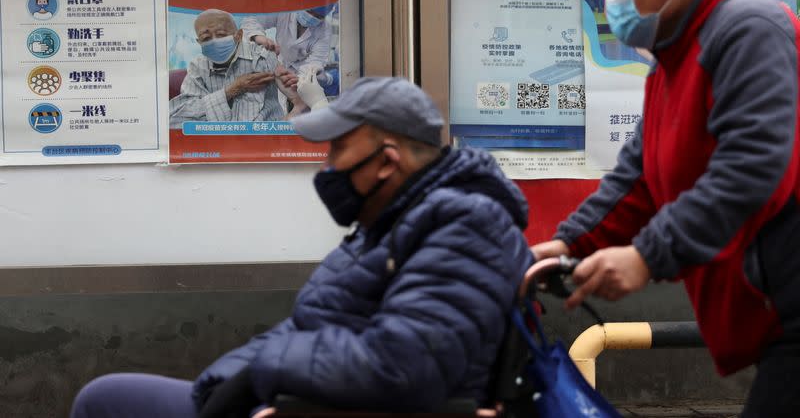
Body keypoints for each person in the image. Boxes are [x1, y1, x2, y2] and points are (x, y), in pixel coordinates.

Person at [71, 76, 534, 418]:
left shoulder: (466, 226)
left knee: (105, 404)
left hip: (320, 406)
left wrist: (264, 377)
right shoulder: (390, 222)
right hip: (300, 395)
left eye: (337, 151)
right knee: (107, 398)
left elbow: (401, 368)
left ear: (386, 162)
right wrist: (226, 385)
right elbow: (310, 326)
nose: (327, 166)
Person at [533, 0, 800, 417]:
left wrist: (647, 256)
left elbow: (754, 167)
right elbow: (637, 181)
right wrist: (567, 243)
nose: (608, 0)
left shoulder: (749, 29)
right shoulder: (672, 61)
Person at [169, 9, 301, 128]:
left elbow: (300, 102)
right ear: (199, 42)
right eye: (206, 38)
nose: (214, 41)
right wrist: (231, 91)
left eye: (221, 34)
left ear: (238, 35)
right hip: (218, 146)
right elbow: (175, 120)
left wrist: (283, 129)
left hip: (263, 143)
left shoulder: (261, 57)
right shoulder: (198, 68)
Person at [241, 4, 336, 88]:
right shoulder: (284, 10)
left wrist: (301, 77)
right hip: (280, 62)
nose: (311, 17)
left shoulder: (324, 30)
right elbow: (251, 20)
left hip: (302, 71)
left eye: (318, 16)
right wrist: (259, 37)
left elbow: (315, 62)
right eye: (309, 11)